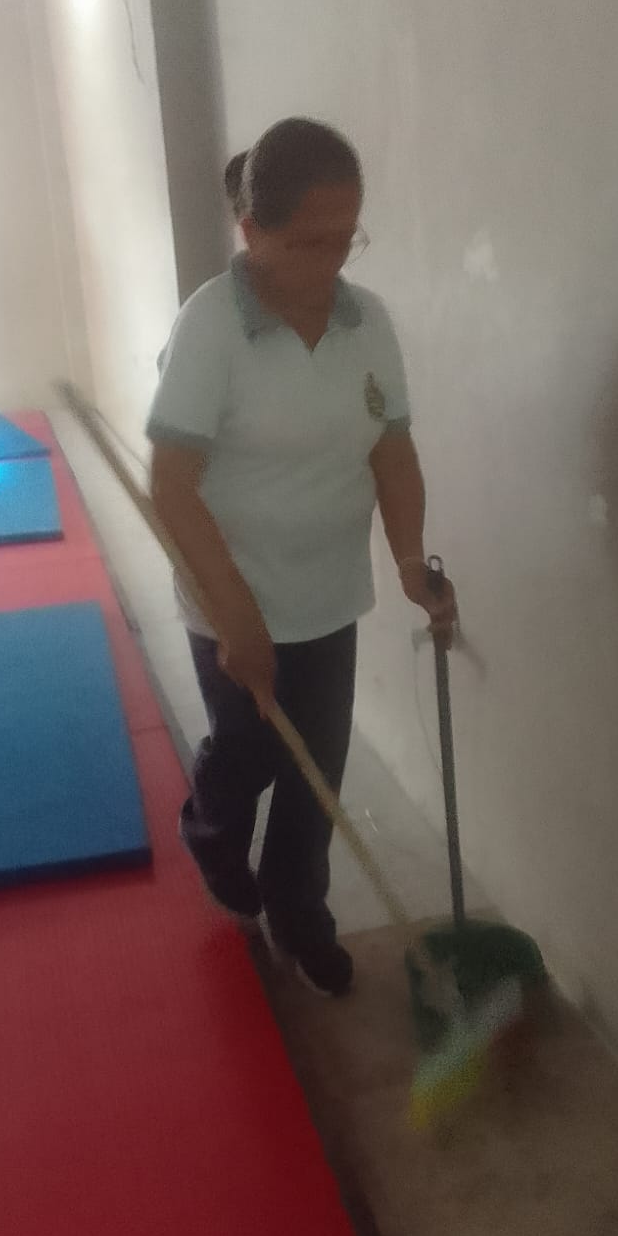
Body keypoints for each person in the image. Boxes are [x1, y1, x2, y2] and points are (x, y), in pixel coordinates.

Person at [147, 117, 456, 997]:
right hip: (228, 589)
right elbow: (171, 486)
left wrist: (409, 564)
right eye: (306, 242)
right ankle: (211, 834)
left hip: (326, 593)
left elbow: (391, 451)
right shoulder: (211, 325)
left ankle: (299, 916)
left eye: (344, 238)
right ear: (253, 231)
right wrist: (237, 620)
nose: (330, 263)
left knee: (315, 774)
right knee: (248, 753)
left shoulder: (366, 322)